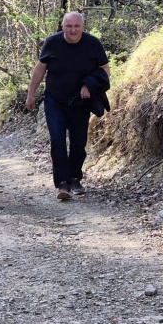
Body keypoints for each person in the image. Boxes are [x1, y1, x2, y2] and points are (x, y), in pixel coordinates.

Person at [25, 11, 110, 200]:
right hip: (54, 100)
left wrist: (89, 84)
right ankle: (62, 183)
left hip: (80, 103)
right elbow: (40, 69)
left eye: (76, 26)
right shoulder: (52, 43)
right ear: (62, 26)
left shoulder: (93, 44)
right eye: (69, 26)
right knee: (57, 140)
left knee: (79, 141)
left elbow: (105, 71)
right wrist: (31, 95)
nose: (73, 30)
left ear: (82, 27)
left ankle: (74, 178)